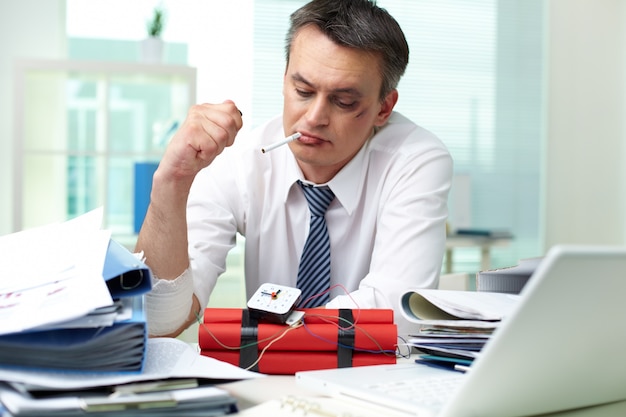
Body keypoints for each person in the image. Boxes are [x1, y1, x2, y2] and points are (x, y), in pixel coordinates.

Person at [136, 0, 453, 339]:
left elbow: (395, 311)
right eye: (302, 91)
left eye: (344, 101)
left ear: (383, 108)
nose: (314, 117)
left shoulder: (414, 160)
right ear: (284, 79)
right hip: (266, 382)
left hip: (370, 379)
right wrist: (171, 182)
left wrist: (274, 336)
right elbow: (161, 319)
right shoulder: (242, 160)